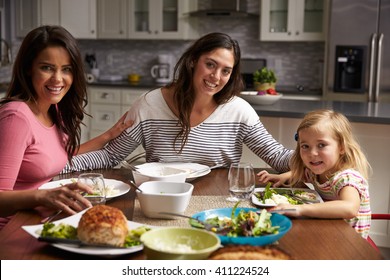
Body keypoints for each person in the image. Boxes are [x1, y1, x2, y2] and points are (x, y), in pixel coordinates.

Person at [64, 32, 293, 173]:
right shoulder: (149, 104)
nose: (216, 76)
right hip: (160, 196)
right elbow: (110, 156)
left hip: (219, 200)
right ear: (193, 61)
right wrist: (57, 166)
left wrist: (320, 159)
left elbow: (277, 157)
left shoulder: (238, 110)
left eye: (226, 71)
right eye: (210, 64)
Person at [0, 25, 131, 229]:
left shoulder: (54, 109)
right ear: (28, 68)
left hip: (41, 219)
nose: (58, 79)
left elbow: (54, 154)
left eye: (66, 69)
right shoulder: (17, 117)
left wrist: (108, 135)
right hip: (11, 230)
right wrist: (42, 196)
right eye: (47, 67)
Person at [257, 109, 371, 238]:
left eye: (321, 145)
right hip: (328, 230)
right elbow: (301, 174)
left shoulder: (346, 178)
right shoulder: (316, 172)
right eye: (305, 146)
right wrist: (282, 177)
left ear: (341, 147)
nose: (312, 153)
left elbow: (349, 207)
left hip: (348, 241)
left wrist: (299, 209)